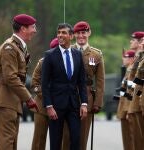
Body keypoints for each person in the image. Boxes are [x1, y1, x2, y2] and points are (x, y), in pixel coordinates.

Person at [0, 14, 38, 150]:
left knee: (9, 142)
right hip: (5, 100)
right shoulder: (10, 48)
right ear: (23, 29)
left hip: (12, 101)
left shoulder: (18, 47)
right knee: (7, 142)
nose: (35, 30)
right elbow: (10, 78)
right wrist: (29, 98)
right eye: (33, 27)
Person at [41, 23, 88, 150]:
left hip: (74, 105)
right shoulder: (49, 55)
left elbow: (81, 82)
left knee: (76, 139)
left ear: (71, 36)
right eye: (59, 32)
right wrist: (49, 106)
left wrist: (84, 103)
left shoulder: (78, 54)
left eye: (64, 33)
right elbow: (44, 84)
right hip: (56, 106)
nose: (60, 35)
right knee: (55, 141)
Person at [62, 21, 105, 150]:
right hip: (68, 98)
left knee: (82, 137)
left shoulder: (96, 55)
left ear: (89, 33)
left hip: (87, 99)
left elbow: (100, 81)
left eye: (84, 33)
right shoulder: (67, 51)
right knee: (66, 136)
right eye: (78, 33)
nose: (81, 36)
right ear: (73, 35)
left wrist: (97, 103)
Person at [31, 37, 59, 150]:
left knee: (59, 139)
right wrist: (47, 97)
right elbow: (35, 83)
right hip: (41, 107)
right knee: (39, 139)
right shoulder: (43, 63)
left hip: (60, 106)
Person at [116, 50, 135, 150]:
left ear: (132, 59)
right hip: (123, 108)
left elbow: (131, 92)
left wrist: (128, 109)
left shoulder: (131, 70)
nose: (123, 59)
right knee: (127, 138)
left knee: (131, 137)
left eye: (126, 57)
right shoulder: (128, 70)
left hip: (127, 108)